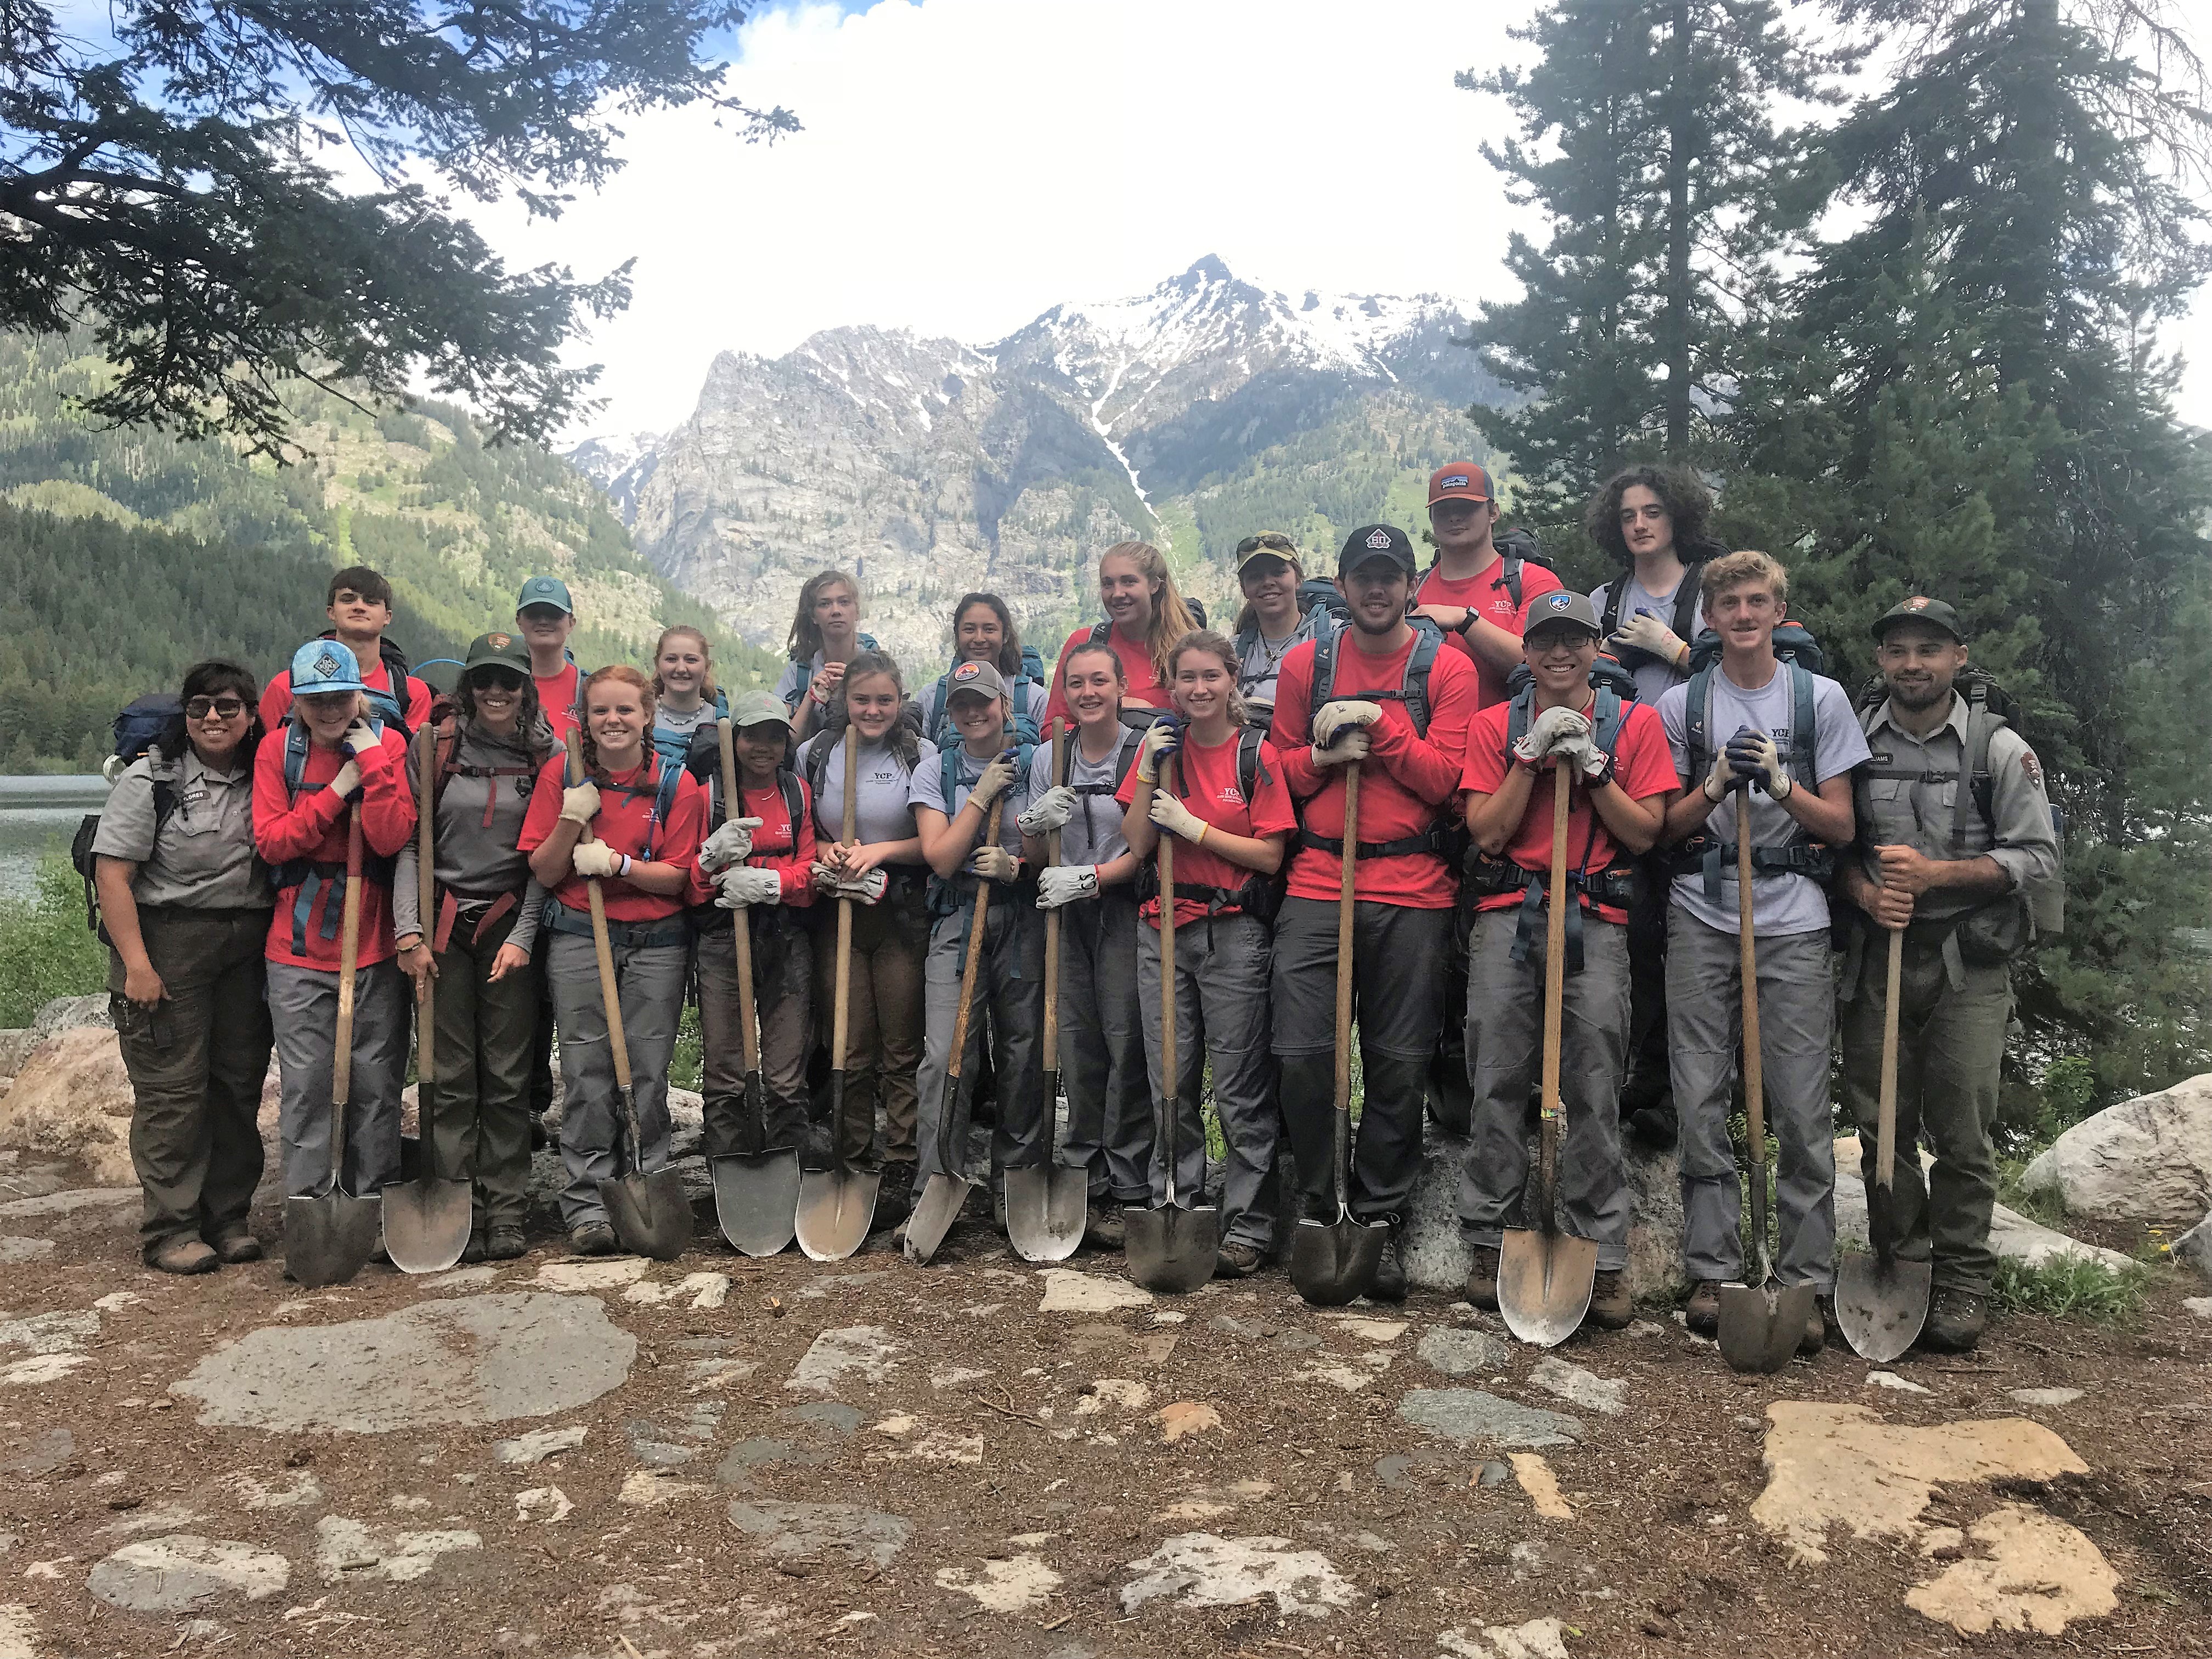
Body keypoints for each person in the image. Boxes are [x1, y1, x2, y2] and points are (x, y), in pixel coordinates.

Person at [1836, 597, 2062, 1353]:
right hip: (1882, 950)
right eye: (1897, 650)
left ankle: (1965, 1277)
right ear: (1881, 662)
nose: (1912, 664)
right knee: (1880, 1121)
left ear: (1959, 658)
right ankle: (1901, 1258)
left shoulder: (1999, 750)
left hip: (1968, 956)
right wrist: (1866, 892)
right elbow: (1831, 842)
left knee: (1962, 1124)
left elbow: (2037, 858)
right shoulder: (1856, 742)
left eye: (1928, 650)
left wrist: (1938, 875)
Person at [1656, 550, 1867, 1352]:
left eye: (1757, 602)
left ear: (1780, 611)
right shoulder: (1686, 705)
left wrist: (1781, 785)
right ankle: (1715, 1269)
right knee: (1701, 1095)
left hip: (1795, 917)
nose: (1743, 615)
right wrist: (1711, 788)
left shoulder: (1821, 700)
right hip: (1701, 913)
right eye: (1729, 604)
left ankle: (1804, 1279)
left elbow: (1842, 826)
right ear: (1708, 619)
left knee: (1804, 1107)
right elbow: (1662, 828)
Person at [1456, 594, 1680, 1328]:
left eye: (1574, 639)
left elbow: (1645, 834)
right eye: (1545, 640)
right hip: (1509, 915)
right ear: (1525, 652)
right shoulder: (1494, 726)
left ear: (1594, 649)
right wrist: (1528, 760)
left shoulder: (1636, 724)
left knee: (1593, 1081)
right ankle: (1489, 1235)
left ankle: (1600, 1249)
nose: (1560, 653)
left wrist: (1592, 768)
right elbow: (1487, 833)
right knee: (1496, 1072)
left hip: (1599, 918)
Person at [1268, 525, 1479, 1300]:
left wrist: (1383, 729)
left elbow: (1445, 783)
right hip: (1320, 880)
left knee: (1398, 1064)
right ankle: (1323, 1210)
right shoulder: (1306, 663)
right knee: (1302, 1054)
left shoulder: (1446, 670)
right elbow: (1278, 776)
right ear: (1343, 583)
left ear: (1411, 584)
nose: (1377, 589)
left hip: (1414, 889)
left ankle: (1378, 1220)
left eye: (1390, 576)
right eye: (1364, 576)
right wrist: (1322, 758)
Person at [1118, 632, 1295, 1275]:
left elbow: (1271, 855)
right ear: (1172, 685)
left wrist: (1197, 830)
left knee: (1241, 1089)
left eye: (1210, 677)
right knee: (1171, 1082)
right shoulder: (1161, 752)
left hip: (1232, 932)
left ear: (1232, 681)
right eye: (1186, 679)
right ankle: (1177, 1201)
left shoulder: (1255, 753)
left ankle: (1249, 1224)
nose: (1198, 690)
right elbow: (1137, 842)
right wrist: (1143, 773)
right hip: (1160, 929)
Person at [93, 661, 276, 1274]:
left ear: (251, 715)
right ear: (185, 714)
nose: (213, 718)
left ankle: (228, 1217)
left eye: (227, 706)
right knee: (173, 1091)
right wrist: (137, 965)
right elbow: (112, 875)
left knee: (236, 1083)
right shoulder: (152, 780)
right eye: (199, 707)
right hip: (168, 942)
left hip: (246, 945)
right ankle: (171, 1227)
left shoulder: (268, 776)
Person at [521, 665, 706, 1254]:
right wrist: (575, 817)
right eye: (600, 710)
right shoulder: (563, 774)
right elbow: (545, 870)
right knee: (587, 1071)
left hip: (657, 945)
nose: (613, 721)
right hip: (580, 938)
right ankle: (586, 1202)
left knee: (648, 1072)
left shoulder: (678, 785)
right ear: (585, 719)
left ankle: (643, 1181)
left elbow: (678, 877)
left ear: (648, 715)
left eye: (625, 710)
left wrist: (620, 866)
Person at [391, 633, 555, 1264]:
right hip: (441, 929)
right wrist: (409, 931)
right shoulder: (433, 748)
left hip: (511, 927)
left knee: (509, 1077)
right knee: (449, 1074)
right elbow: (410, 844)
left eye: (508, 682)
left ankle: (506, 1210)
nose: (495, 692)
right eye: (484, 680)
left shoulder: (548, 755)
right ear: (467, 686)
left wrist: (522, 936)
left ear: (526, 688)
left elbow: (546, 862)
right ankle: (454, 1203)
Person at [1587, 466, 1728, 1150]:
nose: (1640, 525)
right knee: (1638, 931)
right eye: (1628, 515)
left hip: (1700, 778)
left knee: (1693, 942)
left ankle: (1683, 1090)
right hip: (1626, 777)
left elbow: (1745, 674)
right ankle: (1643, 1074)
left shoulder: (1708, 591)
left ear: (1677, 517)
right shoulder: (1603, 598)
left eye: (1652, 512)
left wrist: (1671, 649)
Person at [253, 639, 417, 1217]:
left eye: (340, 696)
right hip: (297, 948)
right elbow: (273, 843)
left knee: (377, 1083)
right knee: (307, 1087)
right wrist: (336, 792)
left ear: (358, 695)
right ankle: (309, 1206)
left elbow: (392, 837)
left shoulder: (390, 744)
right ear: (297, 699)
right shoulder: (278, 751)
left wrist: (371, 765)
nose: (329, 709)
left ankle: (372, 1206)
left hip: (371, 941)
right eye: (315, 698)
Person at [795, 652, 935, 1222]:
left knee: (901, 1045)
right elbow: (801, 831)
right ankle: (849, 1155)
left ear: (900, 700)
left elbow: (936, 841)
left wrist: (880, 850)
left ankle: (901, 1159)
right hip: (838, 912)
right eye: (862, 700)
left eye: (884, 699)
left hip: (899, 912)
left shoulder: (921, 756)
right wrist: (823, 852)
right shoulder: (817, 753)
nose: (873, 710)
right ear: (843, 702)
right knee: (848, 1043)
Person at [909, 659, 1045, 1243]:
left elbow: (1043, 848)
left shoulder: (1034, 762)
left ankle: (1015, 1180)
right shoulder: (934, 770)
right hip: (959, 915)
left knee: (1023, 1050)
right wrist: (980, 796)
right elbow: (939, 857)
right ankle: (933, 1182)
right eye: (961, 703)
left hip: (1021, 915)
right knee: (945, 1053)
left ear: (1004, 703)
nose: (972, 712)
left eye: (982, 701)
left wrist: (1018, 863)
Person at [1020, 641, 1149, 1246]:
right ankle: (1083, 1170)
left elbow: (1147, 850)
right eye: (1077, 684)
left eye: (1100, 681)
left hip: (1123, 905)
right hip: (1063, 912)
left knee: (1126, 1039)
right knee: (1075, 1040)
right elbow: (1031, 854)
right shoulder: (1053, 758)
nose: (1089, 693)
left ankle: (1129, 1181)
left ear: (1121, 686)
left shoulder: (1140, 752)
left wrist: (1095, 876)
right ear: (1063, 694)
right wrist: (1033, 827)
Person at [691, 690, 817, 1181]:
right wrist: (710, 859)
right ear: (734, 739)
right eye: (751, 736)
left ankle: (790, 1184)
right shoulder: (708, 796)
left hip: (787, 941)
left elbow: (810, 878)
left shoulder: (798, 794)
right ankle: (730, 1185)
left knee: (786, 1075)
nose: (763, 747)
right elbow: (692, 886)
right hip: (724, 942)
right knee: (725, 1073)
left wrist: (770, 883)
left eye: (774, 736)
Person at [1407, 464, 1564, 710]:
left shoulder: (1534, 581)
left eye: (1466, 508)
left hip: (1511, 743)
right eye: (1443, 509)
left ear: (1493, 512)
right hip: (1429, 744)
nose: (1454, 517)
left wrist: (1465, 620)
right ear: (1432, 519)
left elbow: (1541, 664)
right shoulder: (1413, 590)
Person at [257, 565, 433, 733]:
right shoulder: (285, 687)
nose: (359, 606)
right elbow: (272, 753)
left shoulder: (413, 694)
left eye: (371, 602)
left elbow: (406, 757)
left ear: (388, 617)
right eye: (348, 599)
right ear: (331, 612)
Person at [1042, 541, 1201, 724]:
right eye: (1108, 584)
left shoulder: (1187, 649)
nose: (1117, 593)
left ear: (1154, 586)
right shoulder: (1086, 642)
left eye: (1129, 582)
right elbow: (1055, 729)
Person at [1229, 533, 1337, 720]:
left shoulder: (1334, 639)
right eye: (1255, 577)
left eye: (1278, 573)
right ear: (1244, 588)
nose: (1268, 582)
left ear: (1298, 579)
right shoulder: (1233, 652)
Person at [920, 593, 1049, 746]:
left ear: (1005, 635)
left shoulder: (1033, 698)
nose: (979, 639)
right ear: (957, 635)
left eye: (989, 629)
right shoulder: (932, 698)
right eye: (969, 630)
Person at [778, 569, 879, 744]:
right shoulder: (799, 672)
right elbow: (789, 742)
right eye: (825, 604)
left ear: (857, 611)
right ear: (813, 616)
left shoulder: (877, 668)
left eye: (844, 602)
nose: (836, 611)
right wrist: (811, 697)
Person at [515, 575, 585, 742]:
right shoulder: (500, 684)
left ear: (571, 623)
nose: (543, 621)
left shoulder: (588, 690)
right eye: (533, 614)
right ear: (519, 621)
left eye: (554, 614)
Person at [650, 624, 730, 768]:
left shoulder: (721, 724)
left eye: (691, 660)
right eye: (671, 659)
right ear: (658, 664)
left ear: (707, 666)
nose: (681, 669)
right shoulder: (640, 718)